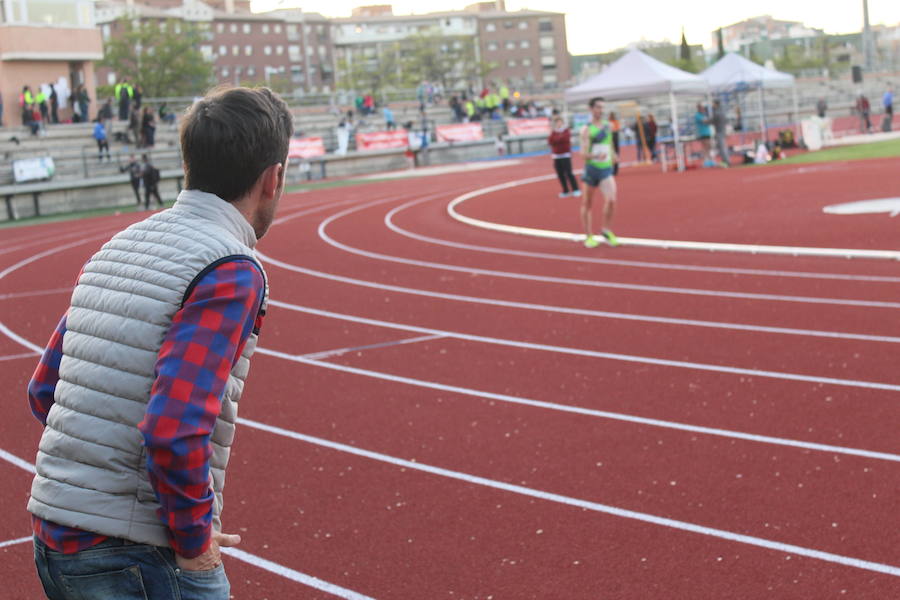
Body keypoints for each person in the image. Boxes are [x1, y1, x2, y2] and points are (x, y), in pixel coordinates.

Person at [27, 86, 292, 600]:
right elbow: (173, 427)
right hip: (131, 553)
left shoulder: (120, 244)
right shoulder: (231, 270)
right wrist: (194, 541)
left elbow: (45, 391)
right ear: (272, 178)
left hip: (55, 537)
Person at [579, 97, 619, 248]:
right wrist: (596, 156)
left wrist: (613, 154)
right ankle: (588, 236)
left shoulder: (608, 126)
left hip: (606, 169)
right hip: (591, 170)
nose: (600, 110)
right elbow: (582, 154)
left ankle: (606, 230)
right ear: (591, 109)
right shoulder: (586, 130)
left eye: (602, 107)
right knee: (587, 203)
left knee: (612, 200)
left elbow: (610, 143)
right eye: (597, 107)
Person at [547, 115, 580, 198]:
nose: (558, 123)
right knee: (560, 174)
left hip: (565, 155)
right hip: (556, 156)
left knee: (569, 173)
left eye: (559, 121)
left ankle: (575, 189)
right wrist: (557, 138)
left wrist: (557, 139)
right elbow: (550, 141)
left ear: (562, 122)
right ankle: (565, 190)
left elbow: (565, 139)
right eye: (556, 122)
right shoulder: (553, 132)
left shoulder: (566, 131)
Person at [711, 99, 730, 167]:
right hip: (722, 131)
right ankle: (725, 161)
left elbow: (713, 120)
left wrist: (705, 121)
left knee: (722, 147)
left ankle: (726, 162)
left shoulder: (717, 112)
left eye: (713, 104)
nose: (712, 105)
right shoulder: (722, 111)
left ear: (716, 104)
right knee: (722, 147)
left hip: (719, 131)